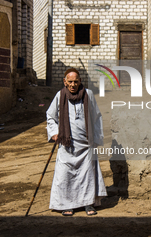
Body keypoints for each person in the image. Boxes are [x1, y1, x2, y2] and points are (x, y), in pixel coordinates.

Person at [46, 68, 107, 216]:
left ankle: (88, 204)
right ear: (65, 82)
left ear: (80, 81)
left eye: (76, 81)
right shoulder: (60, 96)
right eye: (70, 81)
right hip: (67, 145)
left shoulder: (88, 95)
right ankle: (67, 205)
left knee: (87, 175)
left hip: (86, 144)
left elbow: (96, 117)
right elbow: (50, 116)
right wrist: (54, 132)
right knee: (65, 174)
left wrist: (97, 138)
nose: (73, 84)